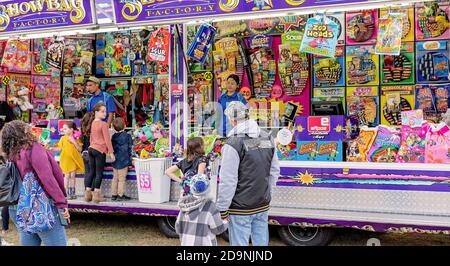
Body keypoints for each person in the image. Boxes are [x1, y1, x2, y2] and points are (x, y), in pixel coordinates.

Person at [217, 101, 280, 246]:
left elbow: (228, 180)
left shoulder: (232, 143)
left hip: (240, 207)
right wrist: (267, 193)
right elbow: (274, 171)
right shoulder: (268, 138)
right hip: (262, 203)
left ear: (232, 120)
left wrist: (222, 208)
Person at [1, 120, 69, 246]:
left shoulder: (11, 154)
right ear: (24, 131)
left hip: (17, 207)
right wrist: (61, 202)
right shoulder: (33, 148)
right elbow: (48, 179)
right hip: (40, 205)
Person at [175, 174, 228, 246]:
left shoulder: (185, 206)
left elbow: (178, 228)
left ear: (192, 188)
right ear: (208, 188)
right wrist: (225, 221)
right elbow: (217, 228)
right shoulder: (210, 206)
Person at [85, 102, 115, 203]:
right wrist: (111, 152)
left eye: (105, 111)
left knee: (91, 172)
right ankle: (96, 195)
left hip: (91, 149)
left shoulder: (93, 122)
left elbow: (91, 138)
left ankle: (88, 194)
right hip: (99, 150)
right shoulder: (104, 124)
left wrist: (91, 145)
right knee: (98, 173)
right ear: (96, 112)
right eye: (102, 111)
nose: (105, 113)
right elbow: (107, 140)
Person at [54, 121, 84, 200]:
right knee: (66, 176)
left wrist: (74, 141)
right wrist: (52, 149)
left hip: (73, 160)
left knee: (73, 176)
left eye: (65, 129)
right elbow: (60, 148)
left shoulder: (76, 138)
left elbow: (80, 149)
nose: (63, 130)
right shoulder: (63, 138)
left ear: (71, 129)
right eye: (63, 129)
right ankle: (65, 192)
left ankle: (72, 192)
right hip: (65, 159)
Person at [111, 117, 133, 201]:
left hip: (115, 160)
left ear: (113, 127)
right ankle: (120, 195)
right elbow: (130, 148)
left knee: (115, 178)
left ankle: (114, 195)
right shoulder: (127, 136)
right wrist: (131, 159)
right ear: (124, 126)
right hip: (124, 161)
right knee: (122, 179)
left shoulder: (113, 137)